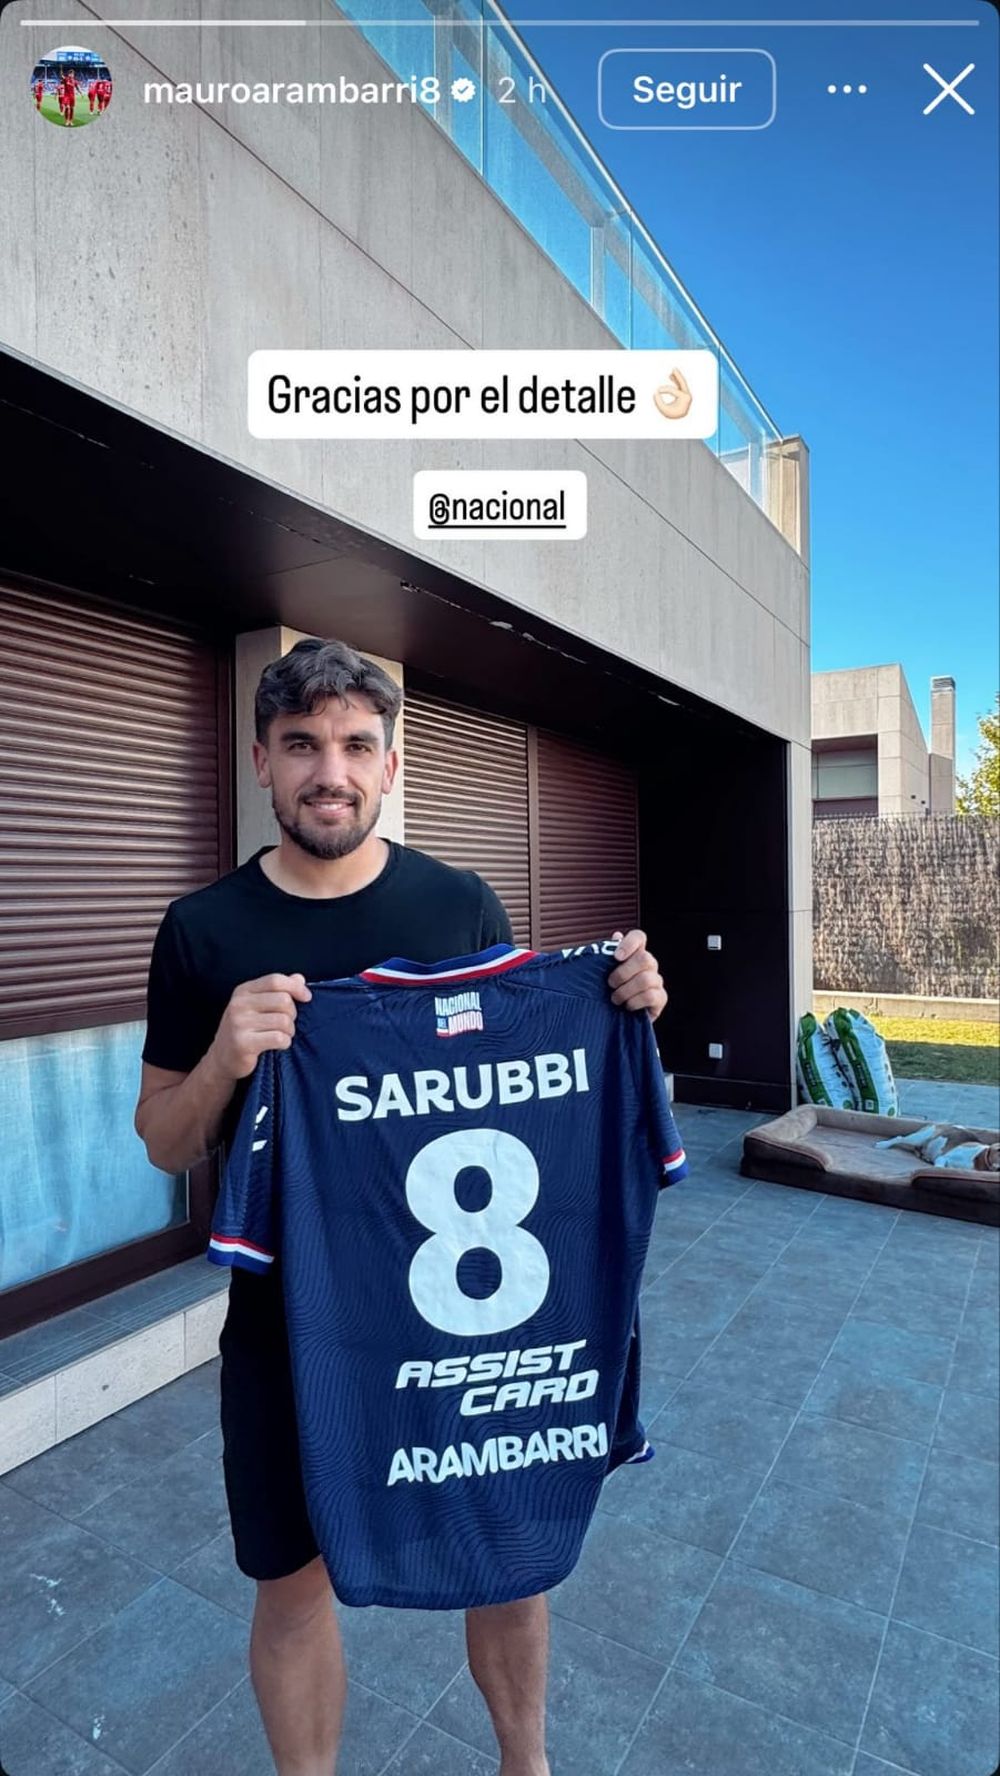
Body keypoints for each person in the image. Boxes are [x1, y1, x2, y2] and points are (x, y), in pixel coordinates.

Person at [135, 637, 669, 1776]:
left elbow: (528, 1080)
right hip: (290, 1328)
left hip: (464, 1324)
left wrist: (623, 1004)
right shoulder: (201, 930)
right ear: (263, 766)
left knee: (508, 1550)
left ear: (389, 766)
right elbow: (162, 1142)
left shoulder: (457, 903)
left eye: (354, 746)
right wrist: (226, 1058)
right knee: (292, 1583)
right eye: (302, 747)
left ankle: (525, 1767)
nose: (329, 770)